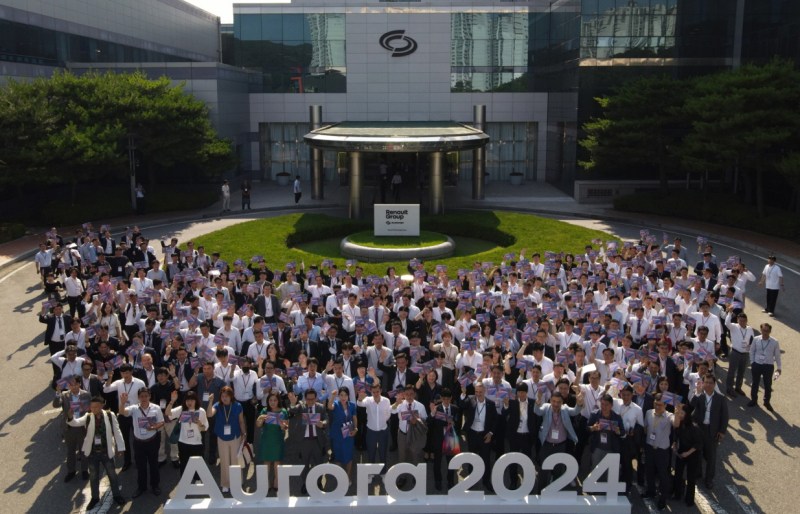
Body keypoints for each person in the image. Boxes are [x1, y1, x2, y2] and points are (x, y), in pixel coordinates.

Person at [67, 396, 127, 510]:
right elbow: (75, 423)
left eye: (96, 407)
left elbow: (117, 431)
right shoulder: (88, 416)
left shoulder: (110, 415)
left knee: (112, 474)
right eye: (92, 407)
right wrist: (70, 416)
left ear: (102, 406)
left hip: (106, 451)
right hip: (93, 453)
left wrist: (121, 447)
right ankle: (95, 498)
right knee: (93, 476)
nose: (93, 409)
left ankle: (116, 495)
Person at [120, 387, 165, 498]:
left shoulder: (156, 408)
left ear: (149, 396)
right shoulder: (134, 408)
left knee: (154, 464)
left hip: (152, 440)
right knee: (141, 466)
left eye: (146, 396)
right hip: (139, 442)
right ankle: (141, 487)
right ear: (138, 397)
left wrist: (154, 427)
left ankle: (155, 485)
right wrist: (122, 403)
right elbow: (122, 412)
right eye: (141, 396)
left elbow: (161, 422)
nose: (144, 398)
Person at [288, 388, 328, 495]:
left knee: (319, 463)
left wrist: (323, 423)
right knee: (305, 464)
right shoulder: (302, 406)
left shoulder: (321, 407)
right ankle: (305, 483)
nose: (310, 402)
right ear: (305, 399)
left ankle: (319, 483)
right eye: (308, 399)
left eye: (312, 399)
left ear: (316, 398)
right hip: (304, 440)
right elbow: (293, 410)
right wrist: (292, 403)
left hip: (317, 440)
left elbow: (326, 419)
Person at [207, 386, 246, 493]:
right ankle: (225, 483)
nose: (224, 398)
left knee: (235, 460)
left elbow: (241, 421)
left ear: (231, 396)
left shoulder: (238, 406)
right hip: (222, 437)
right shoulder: (217, 405)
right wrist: (210, 402)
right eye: (222, 396)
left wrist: (243, 434)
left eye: (227, 396)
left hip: (235, 436)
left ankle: (237, 482)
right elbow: (209, 414)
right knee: (224, 461)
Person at [459, 382, 496, 493]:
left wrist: (490, 433)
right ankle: (471, 480)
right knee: (472, 458)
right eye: (476, 392)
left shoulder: (490, 404)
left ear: (484, 391)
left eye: (480, 392)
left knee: (486, 459)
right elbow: (462, 405)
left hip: (484, 435)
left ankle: (486, 480)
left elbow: (495, 420)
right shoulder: (470, 399)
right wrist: (463, 394)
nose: (478, 394)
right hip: (472, 434)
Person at [54, 375, 91, 481]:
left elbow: (90, 410)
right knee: (70, 451)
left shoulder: (86, 394)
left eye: (75, 384)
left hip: (82, 427)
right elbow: (56, 405)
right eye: (71, 385)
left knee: (84, 450)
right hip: (69, 427)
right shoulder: (64, 395)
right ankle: (71, 471)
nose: (73, 387)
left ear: (80, 384)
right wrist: (58, 393)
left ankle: (84, 470)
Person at [501, 382, 536, 491]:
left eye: (523, 392)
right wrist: (506, 405)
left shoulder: (532, 402)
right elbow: (504, 413)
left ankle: (527, 482)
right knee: (513, 460)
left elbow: (537, 417)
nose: (520, 394)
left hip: (527, 436)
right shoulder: (512, 402)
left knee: (527, 460)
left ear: (527, 392)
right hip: (515, 436)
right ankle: (513, 482)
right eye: (519, 392)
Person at [642, 393, 674, 511]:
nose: (657, 407)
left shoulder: (670, 416)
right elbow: (645, 428)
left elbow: (676, 424)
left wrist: (677, 411)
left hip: (662, 450)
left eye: (660, 405)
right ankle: (651, 491)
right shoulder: (648, 413)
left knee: (663, 475)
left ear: (665, 405)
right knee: (649, 471)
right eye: (655, 404)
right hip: (650, 447)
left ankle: (662, 499)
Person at [392, 384, 427, 488]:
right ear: (404, 394)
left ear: (415, 394)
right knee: (402, 456)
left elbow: (425, 420)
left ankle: (416, 476)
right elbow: (391, 411)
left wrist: (417, 421)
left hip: (415, 434)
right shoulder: (400, 404)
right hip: (403, 434)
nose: (409, 396)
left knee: (415, 455)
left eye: (411, 394)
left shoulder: (420, 406)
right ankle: (402, 477)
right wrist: (396, 403)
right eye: (407, 394)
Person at [167, 390, 210, 475]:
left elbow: (204, 429)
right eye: (188, 400)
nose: (189, 402)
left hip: (196, 442)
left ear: (196, 400)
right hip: (183, 442)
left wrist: (200, 423)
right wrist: (172, 401)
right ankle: (184, 481)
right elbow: (168, 414)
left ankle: (197, 480)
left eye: (192, 400)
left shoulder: (201, 411)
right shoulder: (181, 409)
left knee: (197, 466)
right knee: (184, 466)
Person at [357, 381, 392, 481]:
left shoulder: (386, 401)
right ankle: (371, 473)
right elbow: (360, 404)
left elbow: (388, 414)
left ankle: (383, 473)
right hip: (371, 431)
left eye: (377, 391)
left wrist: (381, 422)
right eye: (373, 392)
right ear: (370, 391)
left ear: (381, 391)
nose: (376, 394)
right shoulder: (368, 400)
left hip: (382, 431)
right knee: (371, 453)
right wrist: (360, 398)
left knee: (382, 453)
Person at [256, 390, 289, 491]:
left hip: (277, 438)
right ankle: (266, 482)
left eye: (275, 400)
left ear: (278, 401)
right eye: (270, 400)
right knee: (266, 460)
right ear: (267, 401)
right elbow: (258, 425)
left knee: (277, 460)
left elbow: (286, 426)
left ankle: (276, 481)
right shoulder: (264, 411)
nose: (272, 402)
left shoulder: (283, 411)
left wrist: (283, 426)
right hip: (266, 438)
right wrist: (260, 418)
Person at [672, 402, 703, 507]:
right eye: (678, 413)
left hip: (693, 453)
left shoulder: (694, 428)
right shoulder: (679, 424)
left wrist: (687, 453)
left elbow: (698, 444)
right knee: (678, 473)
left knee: (691, 476)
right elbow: (676, 434)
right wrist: (674, 443)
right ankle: (677, 494)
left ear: (687, 414)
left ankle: (689, 499)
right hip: (682, 450)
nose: (680, 415)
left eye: (682, 413)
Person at [328, 387, 358, 484]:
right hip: (337, 434)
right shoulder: (336, 404)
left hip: (348, 433)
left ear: (348, 396)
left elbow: (354, 418)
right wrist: (333, 396)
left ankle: (348, 476)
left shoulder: (352, 405)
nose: (343, 397)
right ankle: (340, 477)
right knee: (338, 456)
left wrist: (356, 429)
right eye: (341, 395)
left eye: (345, 395)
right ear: (339, 396)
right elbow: (329, 406)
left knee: (348, 455)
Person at [749, 323, 781, 411]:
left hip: (768, 366)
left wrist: (779, 367)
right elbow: (752, 351)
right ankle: (754, 400)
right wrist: (752, 362)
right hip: (757, 365)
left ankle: (766, 401)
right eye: (763, 330)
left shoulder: (774, 342)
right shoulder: (756, 339)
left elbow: (777, 355)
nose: (765, 332)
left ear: (770, 331)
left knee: (768, 385)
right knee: (755, 383)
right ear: (761, 330)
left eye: (767, 331)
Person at [587, 394, 624, 467]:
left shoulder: (617, 417)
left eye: (606, 405)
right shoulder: (594, 414)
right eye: (602, 404)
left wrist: (618, 432)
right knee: (595, 469)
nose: (604, 407)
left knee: (609, 472)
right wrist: (593, 428)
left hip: (611, 449)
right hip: (597, 448)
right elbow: (586, 428)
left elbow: (622, 431)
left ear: (612, 405)